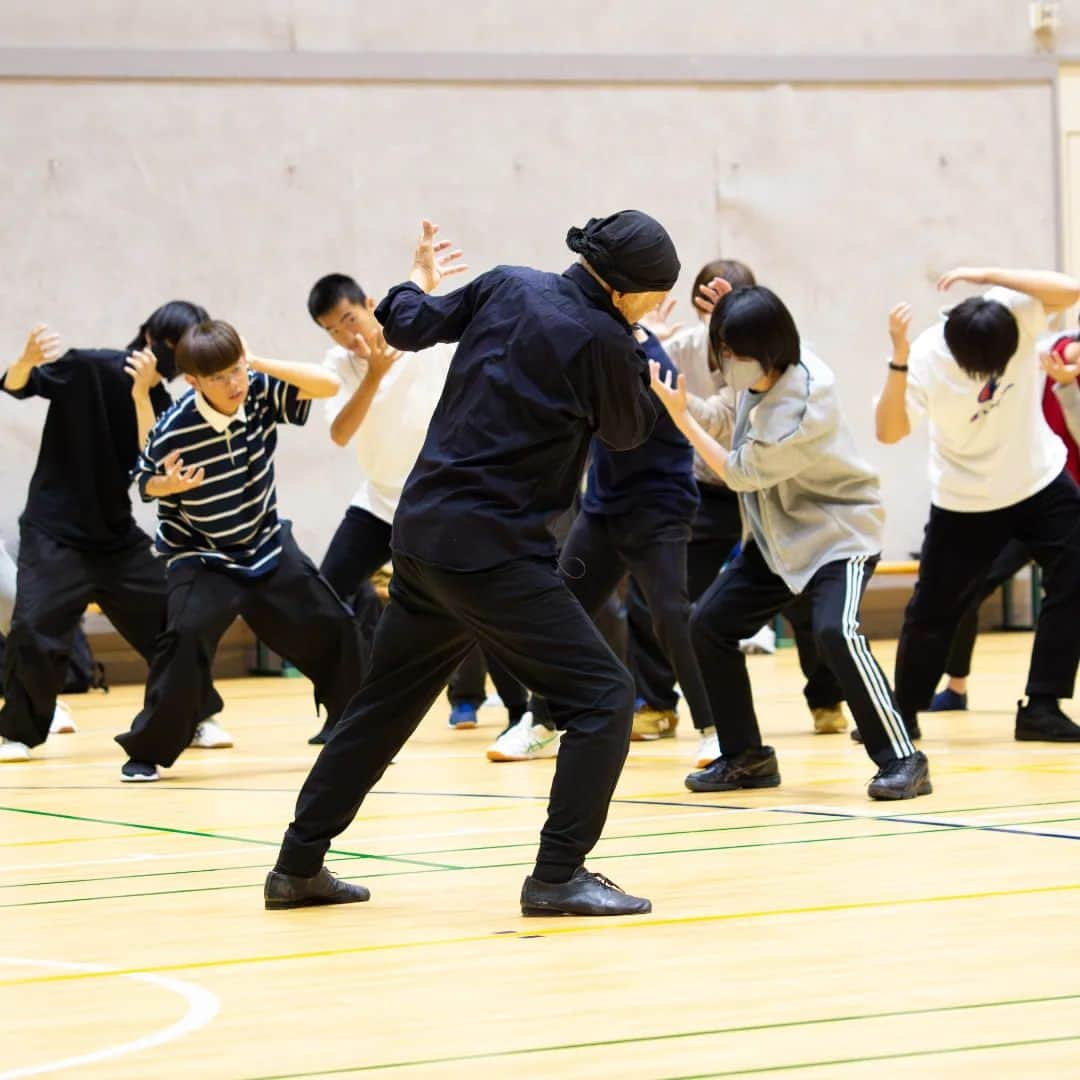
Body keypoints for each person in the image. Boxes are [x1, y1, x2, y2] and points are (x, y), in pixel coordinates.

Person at [266, 211, 677, 916]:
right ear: (627, 291)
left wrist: (418, 279)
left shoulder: (510, 283)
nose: (658, 307)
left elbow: (404, 322)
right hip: (496, 550)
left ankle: (297, 866)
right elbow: (628, 430)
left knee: (381, 708)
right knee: (605, 698)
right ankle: (557, 877)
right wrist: (640, 353)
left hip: (423, 536)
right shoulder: (607, 338)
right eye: (656, 296)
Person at [650, 281, 930, 800]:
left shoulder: (801, 407)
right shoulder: (764, 373)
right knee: (708, 626)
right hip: (778, 539)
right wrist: (732, 314)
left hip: (837, 535)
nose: (724, 360)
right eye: (723, 349)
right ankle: (746, 757)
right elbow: (726, 415)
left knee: (834, 632)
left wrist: (681, 418)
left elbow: (737, 473)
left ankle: (902, 758)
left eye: (732, 352)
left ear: (766, 350)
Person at [115, 320, 368, 781]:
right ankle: (147, 750)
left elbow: (328, 383)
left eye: (237, 371)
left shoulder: (257, 391)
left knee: (334, 622)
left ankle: (353, 729)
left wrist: (254, 364)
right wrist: (165, 484)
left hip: (265, 540)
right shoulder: (175, 427)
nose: (233, 384)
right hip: (202, 555)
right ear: (193, 382)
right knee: (185, 638)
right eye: (219, 377)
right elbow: (143, 480)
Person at [631, 260, 848, 767]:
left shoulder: (790, 367)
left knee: (806, 603)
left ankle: (826, 698)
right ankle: (660, 704)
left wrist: (685, 412)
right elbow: (719, 420)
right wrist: (651, 344)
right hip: (711, 488)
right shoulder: (683, 345)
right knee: (666, 597)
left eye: (731, 305)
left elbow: (739, 452)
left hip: (770, 490)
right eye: (711, 306)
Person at [0, 309, 227, 763]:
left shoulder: (165, 403)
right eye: (175, 347)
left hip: (116, 537)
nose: (180, 362)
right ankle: (20, 732)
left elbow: (156, 468)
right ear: (150, 337)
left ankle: (196, 714)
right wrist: (26, 360)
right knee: (34, 626)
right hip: (54, 531)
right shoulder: (89, 367)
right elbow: (17, 384)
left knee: (173, 620)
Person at [489, 322, 711, 764]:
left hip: (658, 509)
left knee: (670, 614)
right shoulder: (595, 356)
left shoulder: (652, 366)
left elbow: (619, 430)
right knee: (562, 607)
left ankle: (715, 727)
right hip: (604, 511)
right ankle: (542, 721)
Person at [880, 267, 1080, 741]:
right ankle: (902, 714)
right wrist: (898, 360)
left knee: (1075, 575)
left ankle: (1042, 705)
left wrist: (985, 272)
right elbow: (888, 431)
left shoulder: (1014, 311)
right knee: (935, 609)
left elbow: (1071, 289)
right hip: (965, 500)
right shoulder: (928, 356)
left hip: (1039, 480)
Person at [929, 331, 1080, 711]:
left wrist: (1069, 390)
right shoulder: (1043, 352)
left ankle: (1043, 702)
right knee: (968, 588)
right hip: (1022, 494)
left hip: (1066, 501)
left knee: (1069, 592)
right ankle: (954, 687)